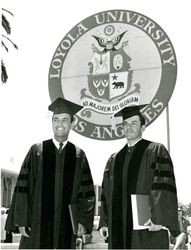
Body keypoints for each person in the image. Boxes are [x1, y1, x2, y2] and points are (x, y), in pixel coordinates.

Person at [5, 97, 95, 249]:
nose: (60, 124)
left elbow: (86, 194)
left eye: (65, 120)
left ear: (72, 123)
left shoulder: (78, 155)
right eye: (56, 120)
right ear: (52, 122)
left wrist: (82, 221)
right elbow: (22, 189)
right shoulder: (37, 151)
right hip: (36, 226)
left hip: (66, 227)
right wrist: (22, 221)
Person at [99, 104, 179, 249]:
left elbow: (163, 187)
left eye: (134, 123)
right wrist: (104, 222)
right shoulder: (114, 160)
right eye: (125, 124)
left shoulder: (155, 150)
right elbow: (106, 193)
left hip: (148, 228)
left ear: (143, 127)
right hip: (119, 229)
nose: (129, 127)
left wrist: (159, 218)